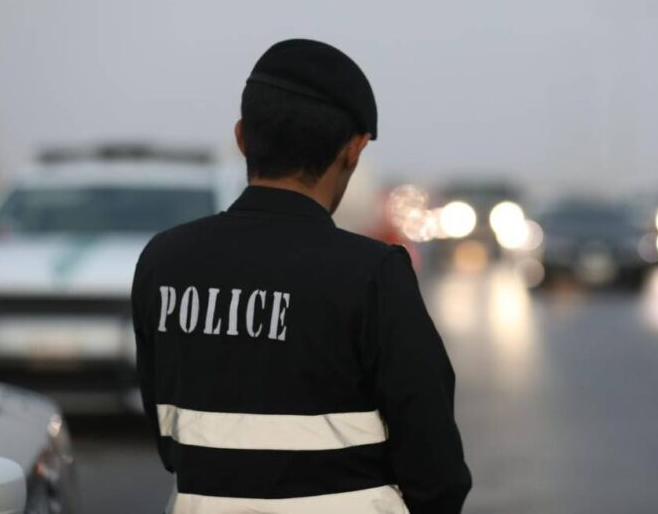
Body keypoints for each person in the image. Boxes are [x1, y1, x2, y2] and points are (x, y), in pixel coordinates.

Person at [132, 39, 472, 513]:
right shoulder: (372, 274)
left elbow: (170, 441)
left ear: (242, 138)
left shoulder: (162, 262)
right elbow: (437, 472)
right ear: (353, 150)